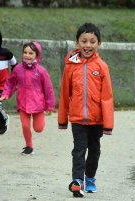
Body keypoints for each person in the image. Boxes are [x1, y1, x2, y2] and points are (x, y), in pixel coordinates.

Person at [58, 23, 114, 197]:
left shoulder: (102, 67)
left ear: (99, 43)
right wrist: (62, 119)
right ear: (77, 43)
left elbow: (107, 96)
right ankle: (77, 181)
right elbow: (64, 93)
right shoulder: (70, 66)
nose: (87, 45)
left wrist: (108, 124)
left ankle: (90, 178)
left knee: (94, 151)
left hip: (97, 119)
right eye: (83, 41)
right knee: (79, 149)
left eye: (92, 41)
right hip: (77, 118)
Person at [0, 42, 55, 155]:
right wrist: (6, 94)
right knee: (25, 125)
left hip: (38, 104)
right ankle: (29, 146)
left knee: (38, 128)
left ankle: (35, 129)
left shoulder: (41, 71)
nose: (27, 55)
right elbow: (10, 83)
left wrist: (50, 105)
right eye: (25, 52)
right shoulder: (18, 69)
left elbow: (48, 89)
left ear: (37, 55)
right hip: (23, 103)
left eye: (31, 53)